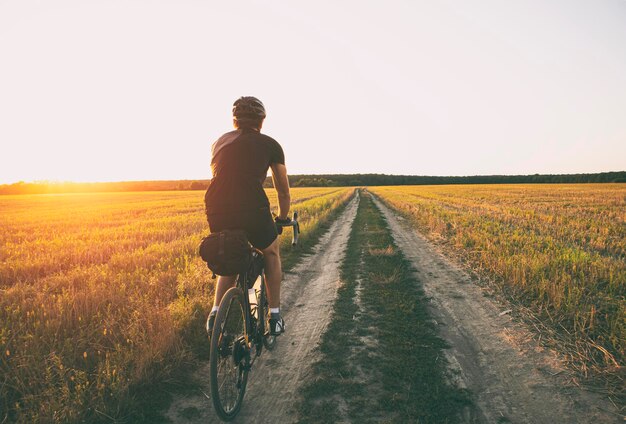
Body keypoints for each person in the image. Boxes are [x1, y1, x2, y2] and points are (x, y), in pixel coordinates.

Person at [204, 96, 291, 337]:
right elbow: (282, 190)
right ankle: (274, 317)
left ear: (235, 121)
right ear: (261, 121)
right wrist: (282, 218)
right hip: (252, 206)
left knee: (231, 253)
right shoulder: (270, 144)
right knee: (271, 251)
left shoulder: (219, 142)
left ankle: (214, 314)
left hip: (216, 205)